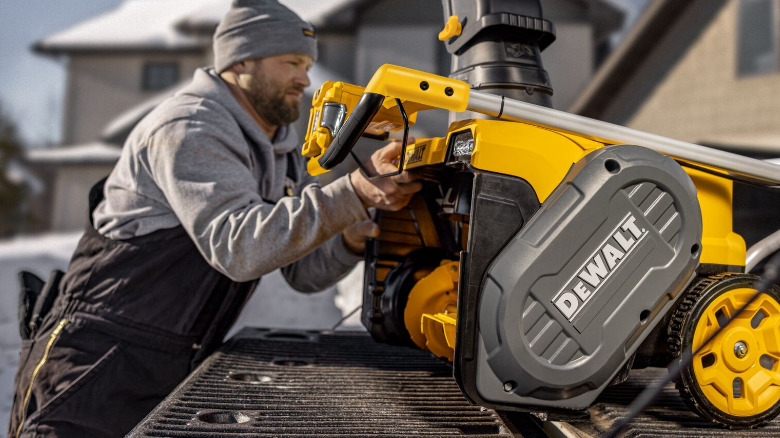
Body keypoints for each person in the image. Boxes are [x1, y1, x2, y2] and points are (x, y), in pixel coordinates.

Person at [8, 1, 421, 436]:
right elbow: (240, 248)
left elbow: (299, 270)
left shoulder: (276, 149)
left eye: (307, 64)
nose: (305, 78)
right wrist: (352, 192)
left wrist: (348, 238)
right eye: (292, 63)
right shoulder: (190, 127)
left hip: (176, 358)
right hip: (98, 360)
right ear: (242, 60)